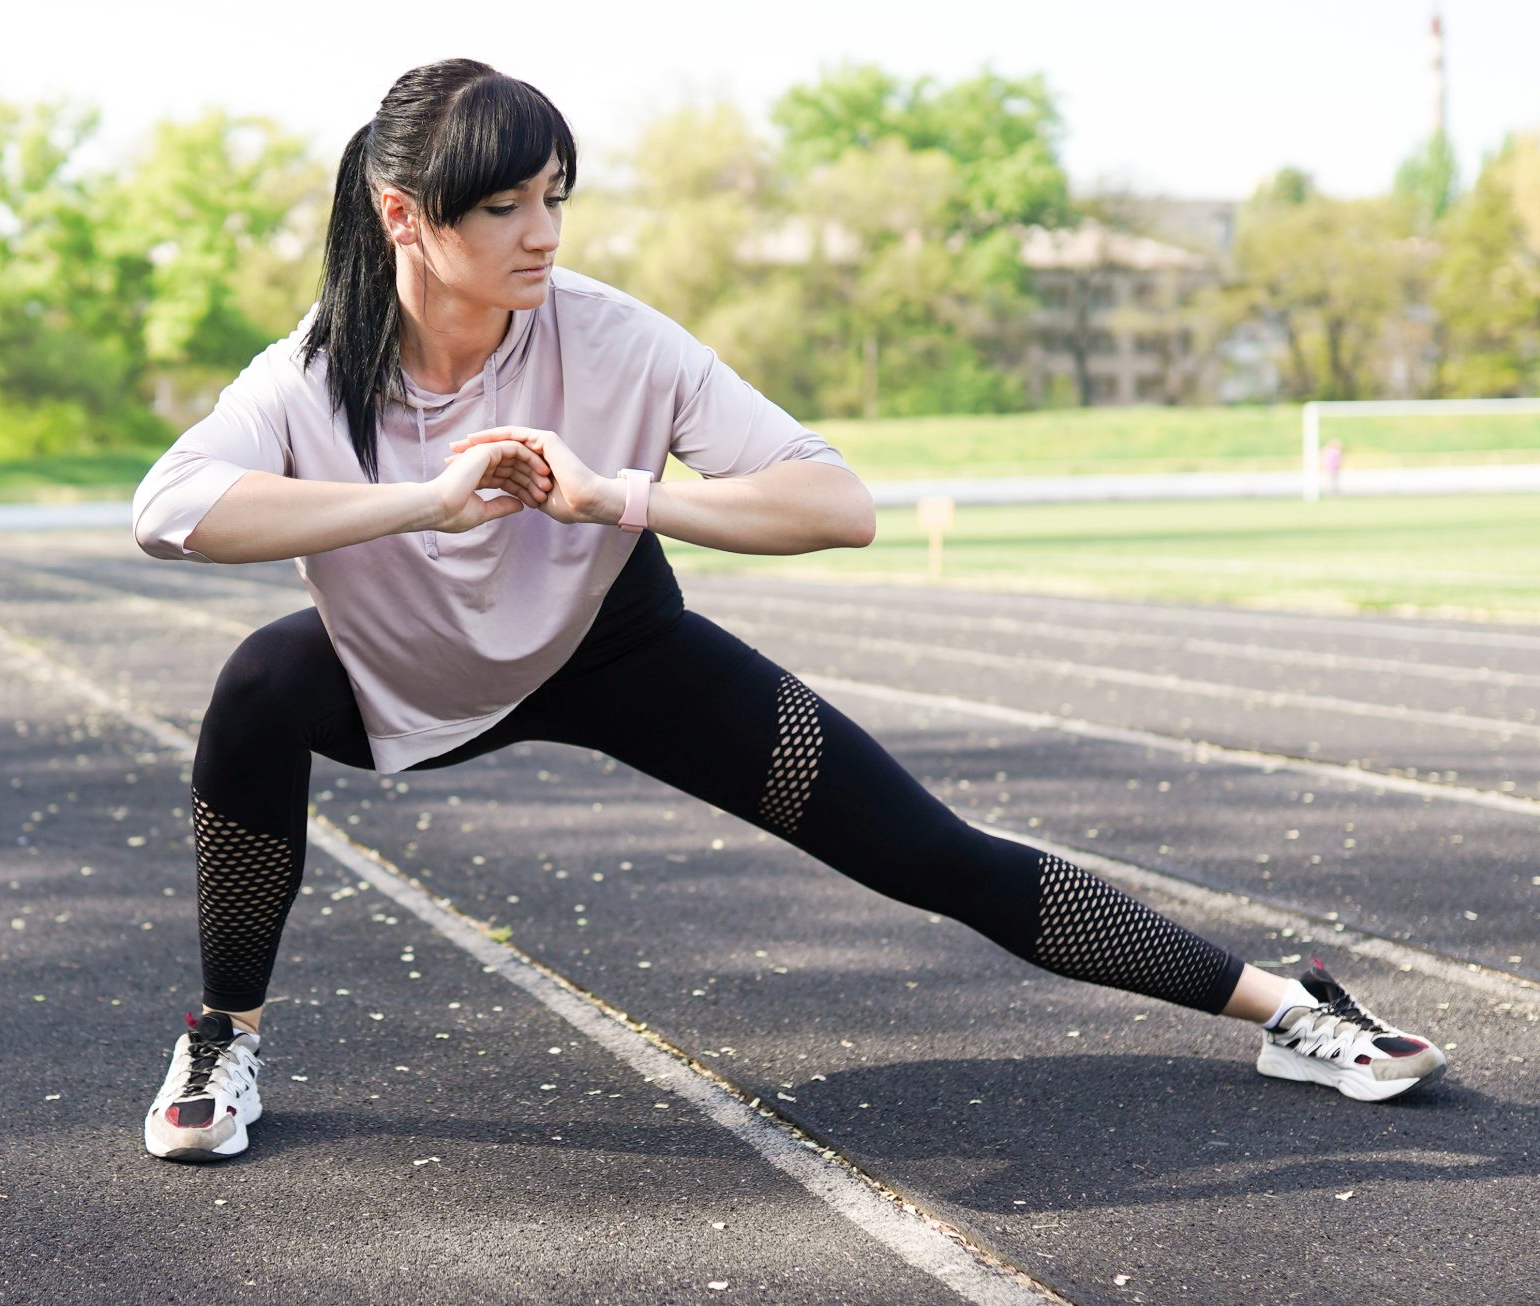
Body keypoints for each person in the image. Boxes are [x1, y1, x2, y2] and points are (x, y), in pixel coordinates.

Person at [128, 59, 1446, 1160]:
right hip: (400, 666)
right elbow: (168, 508)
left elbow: (837, 501)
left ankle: (1290, 1003)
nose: (543, 233)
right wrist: (419, 501)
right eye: (505, 207)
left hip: (618, 646)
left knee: (936, 853)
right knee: (257, 692)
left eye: (555, 198)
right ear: (405, 215)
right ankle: (223, 1037)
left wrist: (621, 497)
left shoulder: (614, 337)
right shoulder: (314, 374)